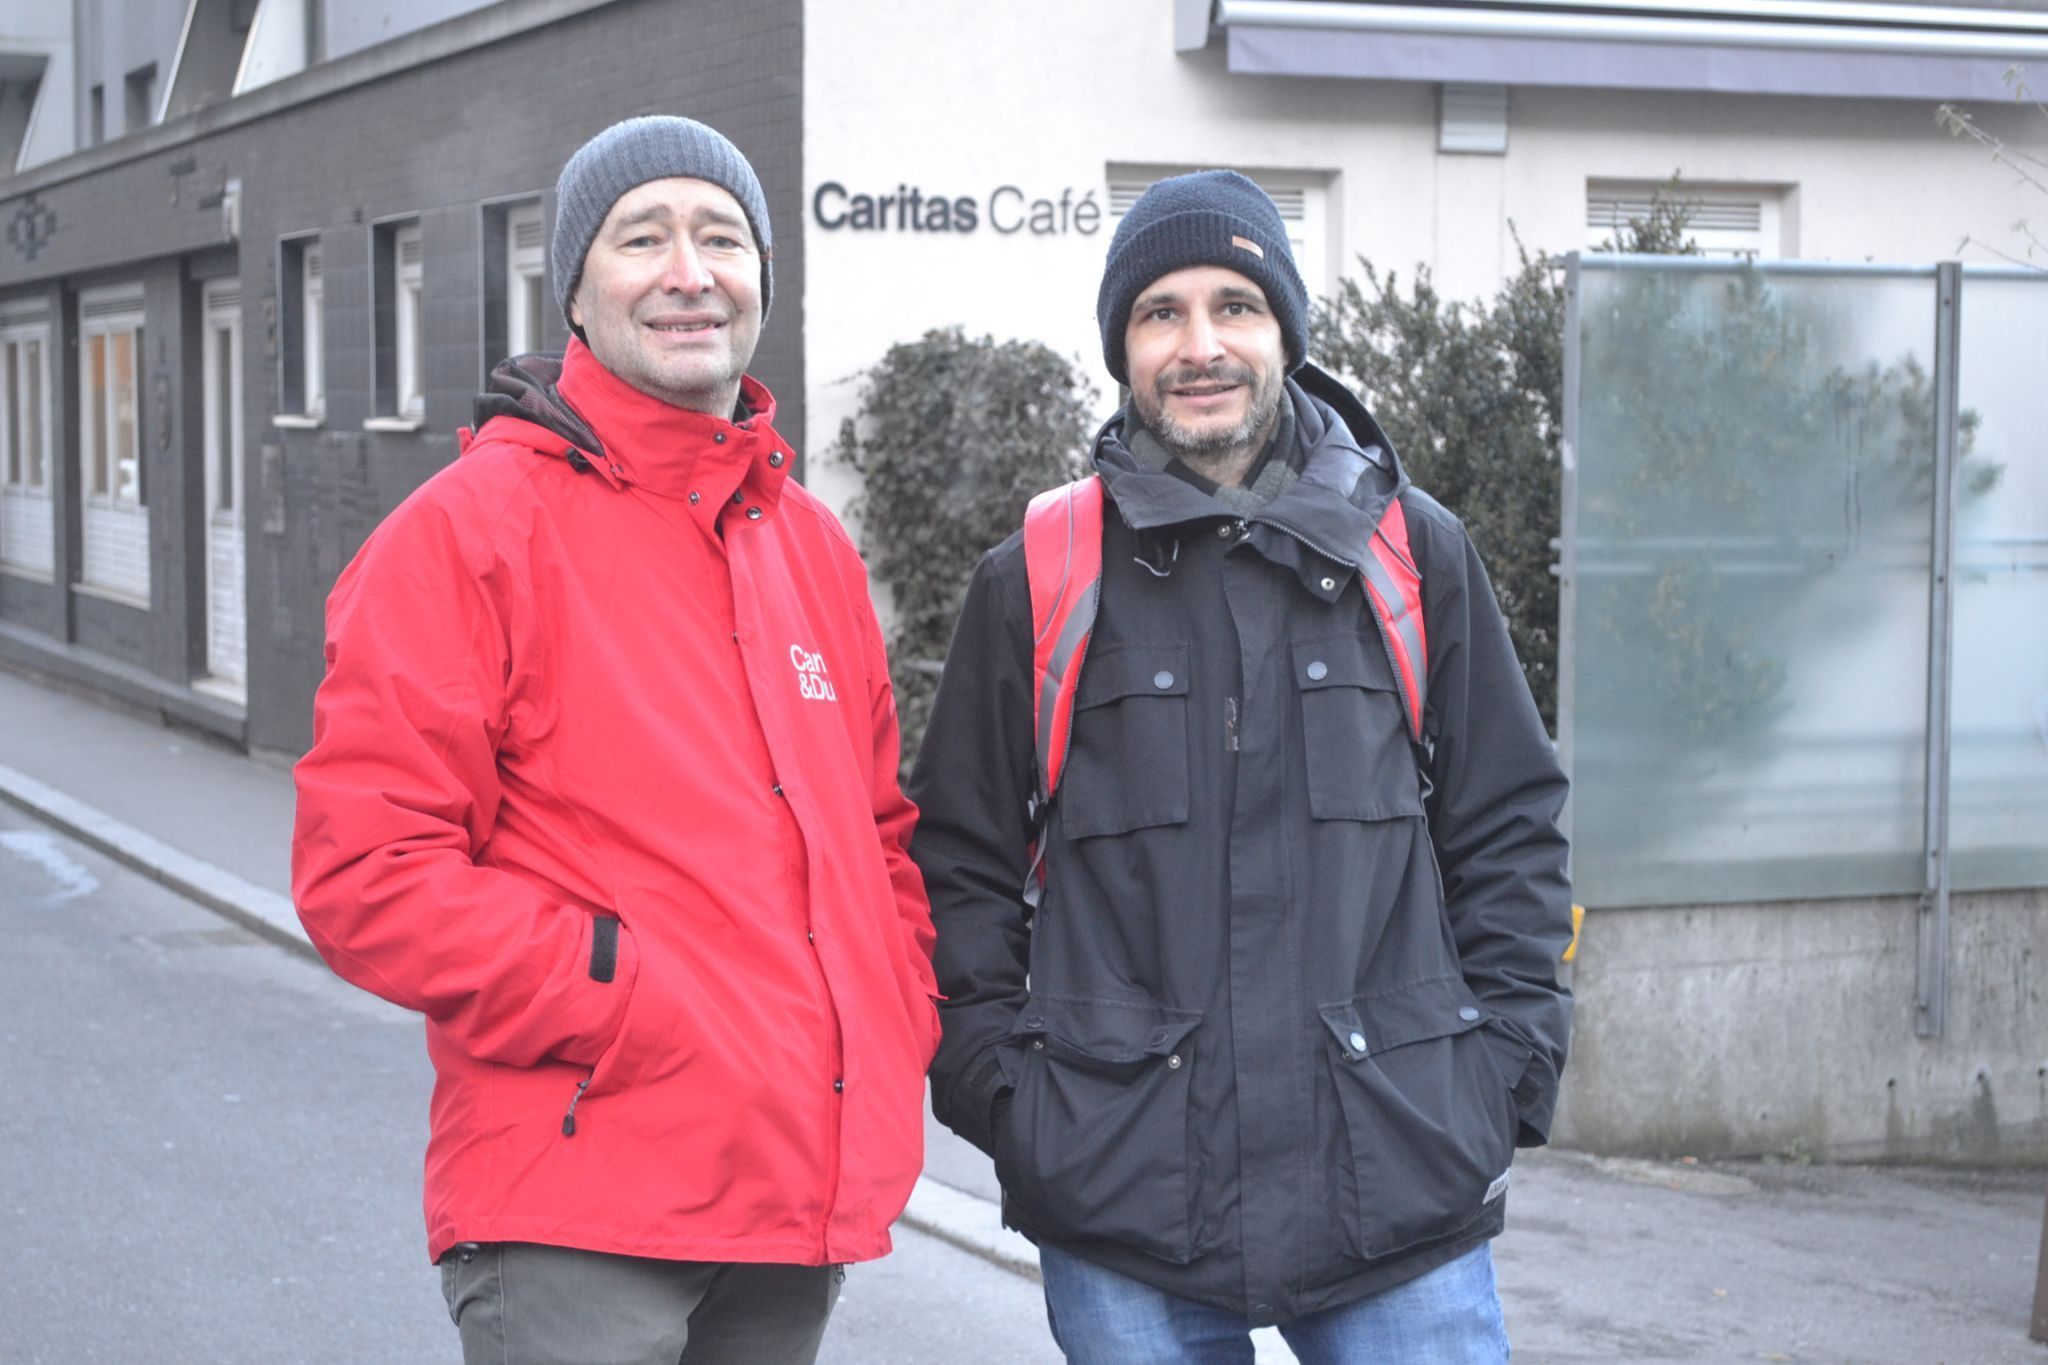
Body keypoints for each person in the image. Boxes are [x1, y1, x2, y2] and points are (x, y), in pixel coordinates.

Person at [291, 116, 938, 1365]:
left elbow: (873, 840)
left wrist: (888, 1010)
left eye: (722, 238)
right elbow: (365, 873)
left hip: (788, 1202)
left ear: (762, 278)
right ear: (575, 295)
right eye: (642, 238)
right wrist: (623, 996)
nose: (690, 273)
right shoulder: (468, 532)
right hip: (576, 1206)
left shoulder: (808, 545)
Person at [909, 170, 1573, 1363]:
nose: (1199, 345)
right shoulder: (1038, 576)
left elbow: (1506, 826)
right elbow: (957, 860)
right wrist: (1002, 1094)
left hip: (1398, 1177)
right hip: (1119, 1190)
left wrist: (1503, 1073)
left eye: (1234, 306)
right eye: (1159, 312)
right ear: (1121, 346)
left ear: (1285, 333)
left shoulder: (1413, 553)